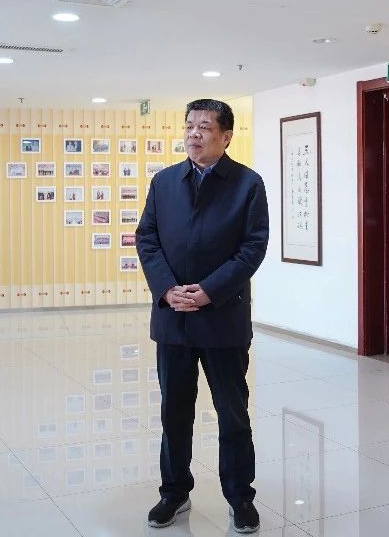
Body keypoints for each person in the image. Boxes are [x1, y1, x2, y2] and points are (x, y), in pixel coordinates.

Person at [136, 99, 269, 533]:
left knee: (233, 413)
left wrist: (209, 291)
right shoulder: (164, 182)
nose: (194, 133)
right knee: (174, 412)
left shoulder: (247, 184)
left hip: (223, 318)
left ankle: (240, 497)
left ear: (226, 136)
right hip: (173, 317)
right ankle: (174, 492)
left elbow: (253, 247)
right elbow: (147, 238)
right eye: (190, 125)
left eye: (205, 127)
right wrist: (166, 288)